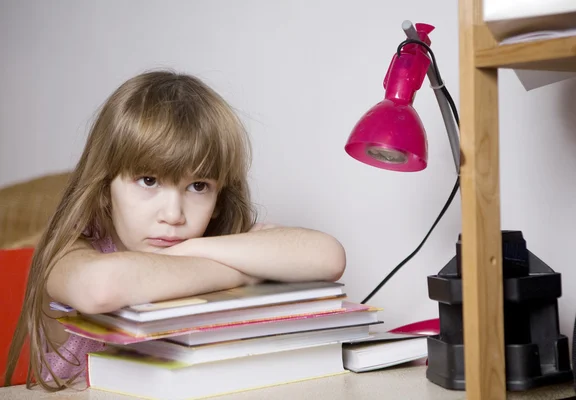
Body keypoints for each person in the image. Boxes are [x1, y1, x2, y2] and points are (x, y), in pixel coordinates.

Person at [4, 70, 346, 391]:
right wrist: (245, 273)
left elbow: (327, 256)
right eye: (148, 180)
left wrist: (192, 252)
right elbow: (100, 288)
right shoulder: (72, 250)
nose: (173, 214)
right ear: (105, 186)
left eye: (198, 186)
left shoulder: (208, 244)